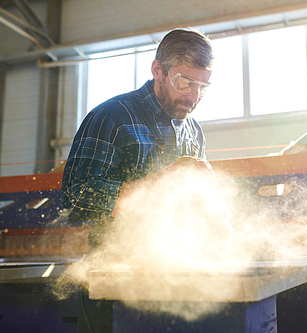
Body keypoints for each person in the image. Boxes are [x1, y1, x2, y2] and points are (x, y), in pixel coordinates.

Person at [60, 28, 229, 333]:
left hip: (177, 282)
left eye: (203, 87)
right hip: (115, 284)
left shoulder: (193, 131)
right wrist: (159, 184)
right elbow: (76, 195)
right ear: (158, 70)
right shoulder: (111, 117)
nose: (193, 96)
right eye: (185, 82)